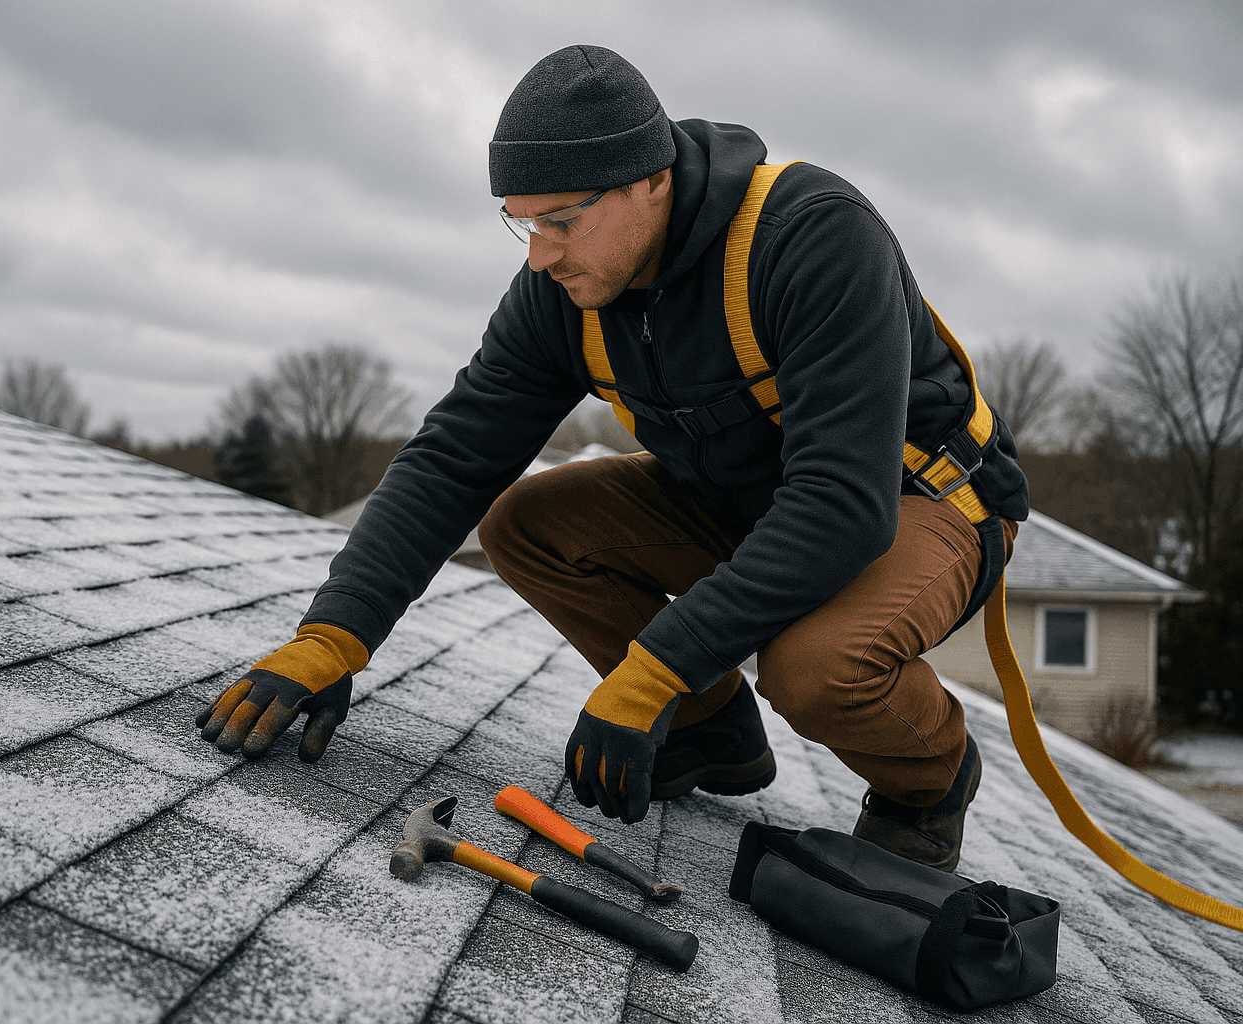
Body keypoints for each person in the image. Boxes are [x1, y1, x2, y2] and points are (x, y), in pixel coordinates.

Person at [195, 44, 1027, 873]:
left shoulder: (810, 239)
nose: (539, 254)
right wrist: (332, 636)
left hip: (921, 499)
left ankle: (927, 781)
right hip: (743, 502)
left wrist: (649, 672)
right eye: (523, 222)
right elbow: (452, 458)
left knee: (815, 669)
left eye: (562, 221)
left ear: (651, 181)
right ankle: (708, 731)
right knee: (526, 523)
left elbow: (843, 507)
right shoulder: (563, 292)